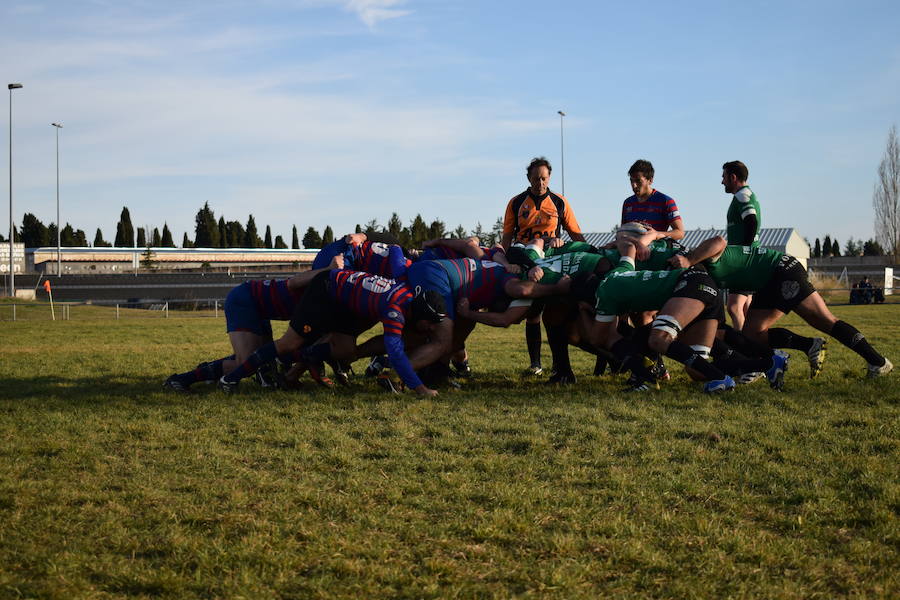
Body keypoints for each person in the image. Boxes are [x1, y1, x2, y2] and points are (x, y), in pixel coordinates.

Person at [571, 242, 787, 393]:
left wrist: (582, 310)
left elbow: (599, 337)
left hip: (690, 284)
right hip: (703, 284)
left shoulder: (603, 293)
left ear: (585, 298)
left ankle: (720, 379)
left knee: (658, 339)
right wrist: (622, 240)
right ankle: (768, 363)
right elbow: (628, 248)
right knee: (697, 370)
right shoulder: (618, 271)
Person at [672, 236, 893, 379]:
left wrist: (689, 259)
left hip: (781, 271)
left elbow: (719, 241)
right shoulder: (697, 272)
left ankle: (878, 362)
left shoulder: (700, 258)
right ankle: (807, 346)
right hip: (770, 279)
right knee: (753, 334)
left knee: (825, 321)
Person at [218, 269, 449, 396]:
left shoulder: (407, 298)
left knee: (345, 350)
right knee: (289, 343)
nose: (432, 329)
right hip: (325, 291)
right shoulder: (395, 311)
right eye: (430, 323)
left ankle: (288, 364)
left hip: (340, 297)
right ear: (419, 315)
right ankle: (230, 378)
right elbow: (395, 353)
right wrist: (420, 389)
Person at [162, 255, 343, 392]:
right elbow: (294, 282)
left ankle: (208, 370)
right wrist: (328, 269)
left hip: (259, 306)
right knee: (247, 363)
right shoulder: (319, 284)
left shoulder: (326, 295)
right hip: (245, 300)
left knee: (262, 358)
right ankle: (182, 379)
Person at [501, 156, 586, 376]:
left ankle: (560, 365)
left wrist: (585, 251)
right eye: (536, 178)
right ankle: (536, 364)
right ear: (528, 178)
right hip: (526, 260)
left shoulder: (559, 201)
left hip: (552, 261)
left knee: (557, 310)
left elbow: (576, 234)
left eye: (544, 178)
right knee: (533, 312)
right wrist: (504, 260)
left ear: (549, 178)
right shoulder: (516, 202)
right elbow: (507, 237)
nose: (540, 182)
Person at [721, 160, 760, 330]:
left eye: (724, 177)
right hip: (748, 260)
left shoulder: (742, 196)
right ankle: (755, 340)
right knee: (745, 307)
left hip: (744, 261)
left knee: (733, 307)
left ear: (733, 177)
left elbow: (752, 221)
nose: (722, 181)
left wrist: (744, 252)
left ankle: (744, 342)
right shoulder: (745, 194)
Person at [621, 160, 685, 242]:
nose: (634, 185)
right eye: (631, 181)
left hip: (654, 248)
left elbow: (680, 233)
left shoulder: (666, 201)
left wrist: (656, 234)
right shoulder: (628, 203)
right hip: (631, 246)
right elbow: (623, 232)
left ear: (650, 180)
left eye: (638, 181)